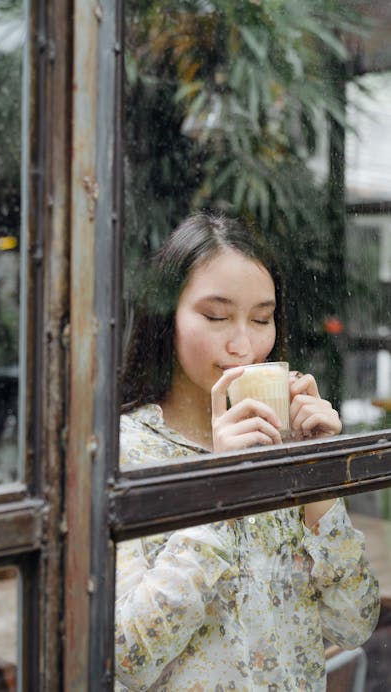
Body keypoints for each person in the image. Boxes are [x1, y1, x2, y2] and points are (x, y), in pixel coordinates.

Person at [115, 211, 380, 691]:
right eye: (216, 317)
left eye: (262, 319)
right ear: (166, 318)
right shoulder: (124, 452)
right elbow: (127, 657)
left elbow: (355, 623)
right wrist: (224, 486)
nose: (244, 345)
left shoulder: (281, 444)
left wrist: (316, 478)